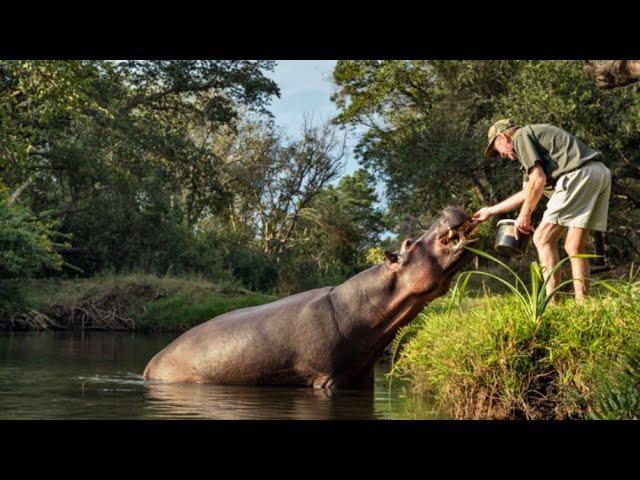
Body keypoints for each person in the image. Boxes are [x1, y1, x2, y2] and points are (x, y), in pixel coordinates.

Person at [472, 119, 611, 303]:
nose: (502, 156)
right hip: (598, 173)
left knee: (542, 239)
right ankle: (584, 305)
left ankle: (553, 305)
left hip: (577, 176)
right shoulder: (531, 147)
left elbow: (537, 180)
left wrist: (525, 215)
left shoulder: (520, 137)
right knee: (574, 246)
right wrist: (490, 211)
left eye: (498, 151)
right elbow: (526, 192)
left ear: (502, 137)